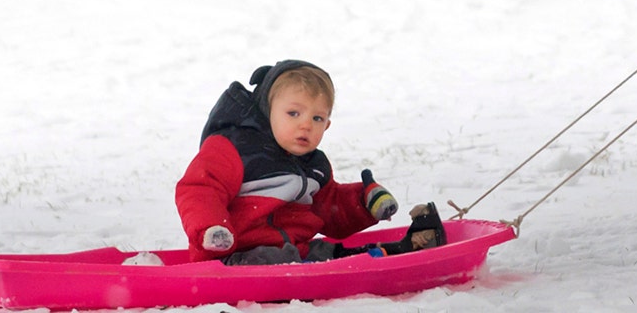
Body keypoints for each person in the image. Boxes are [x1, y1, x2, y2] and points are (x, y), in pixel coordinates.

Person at [176, 60, 443, 264]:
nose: (305, 125)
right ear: (268, 112)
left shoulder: (314, 165)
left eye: (317, 119)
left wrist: (364, 203)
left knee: (326, 252)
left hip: (296, 253)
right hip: (232, 257)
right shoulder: (233, 148)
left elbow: (328, 210)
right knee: (279, 259)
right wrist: (212, 228)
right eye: (293, 113)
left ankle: (395, 252)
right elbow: (200, 190)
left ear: (327, 125)